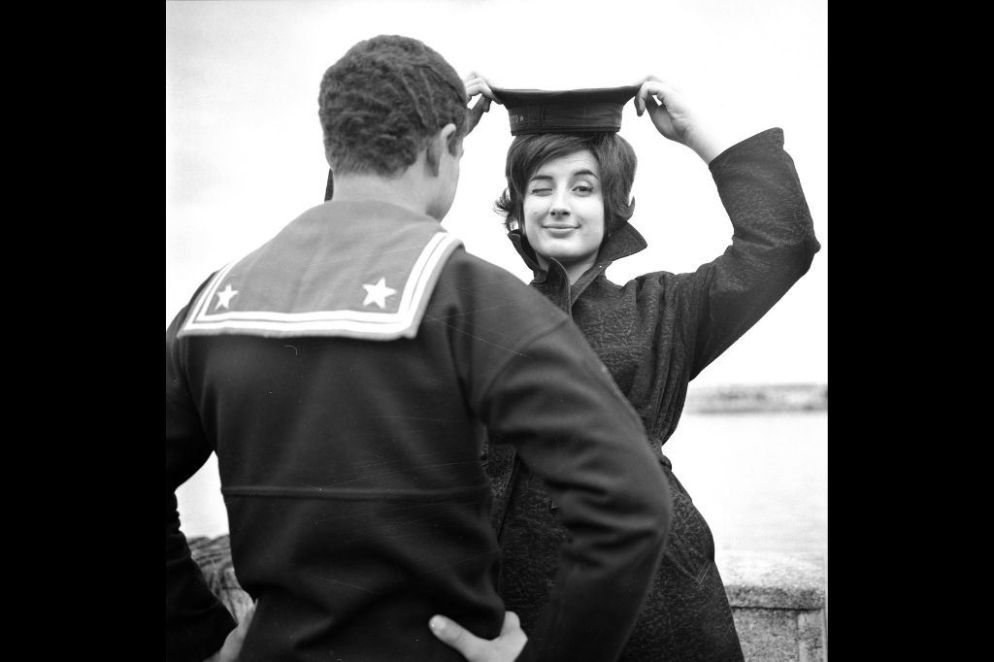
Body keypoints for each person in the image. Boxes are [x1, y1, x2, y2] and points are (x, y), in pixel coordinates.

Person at [166, 35, 675, 662]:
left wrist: (197, 639)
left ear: (333, 146)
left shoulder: (214, 303)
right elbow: (630, 505)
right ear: (445, 145)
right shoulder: (476, 300)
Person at [458, 74, 820, 661]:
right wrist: (434, 138)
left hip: (665, 601)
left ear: (614, 208)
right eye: (541, 188)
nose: (559, 205)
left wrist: (698, 133)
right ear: (518, 210)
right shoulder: (474, 312)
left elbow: (783, 243)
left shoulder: (665, 309)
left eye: (583, 188)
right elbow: (352, 281)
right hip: (516, 610)